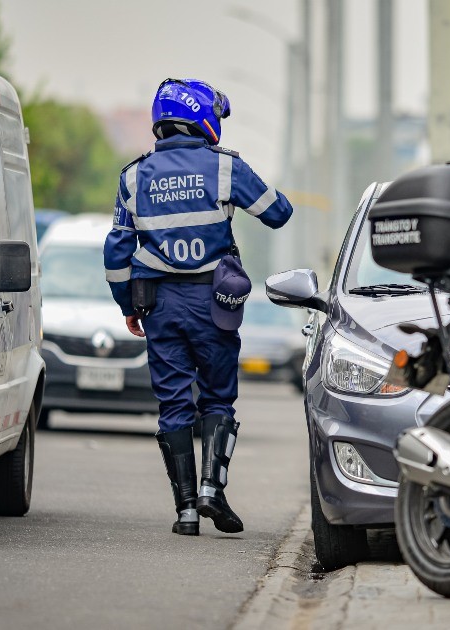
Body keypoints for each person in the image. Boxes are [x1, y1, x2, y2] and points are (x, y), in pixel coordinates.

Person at [104, 79, 293, 536]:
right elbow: (278, 212)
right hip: (214, 303)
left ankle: (186, 511)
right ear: (203, 117)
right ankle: (212, 488)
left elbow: (116, 250)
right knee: (217, 397)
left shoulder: (133, 176)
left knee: (173, 404)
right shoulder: (225, 167)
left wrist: (127, 303)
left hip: (159, 306)